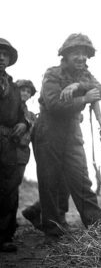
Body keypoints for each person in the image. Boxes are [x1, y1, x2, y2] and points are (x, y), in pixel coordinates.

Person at [32, 33, 101, 241]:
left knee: (82, 181)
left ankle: (99, 229)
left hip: (72, 134)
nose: (81, 57)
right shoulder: (52, 74)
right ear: (65, 55)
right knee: (50, 183)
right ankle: (53, 232)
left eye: (84, 53)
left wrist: (79, 87)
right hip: (48, 132)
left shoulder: (85, 76)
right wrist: (84, 98)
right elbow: (54, 105)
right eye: (76, 52)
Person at [0, 38, 28, 252]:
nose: (1, 57)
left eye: (5, 55)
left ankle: (4, 236)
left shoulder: (14, 86)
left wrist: (23, 122)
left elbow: (22, 113)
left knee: (8, 189)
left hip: (8, 143)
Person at [15, 79, 37, 182]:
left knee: (15, 183)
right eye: (22, 90)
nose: (25, 93)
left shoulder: (31, 116)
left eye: (28, 92)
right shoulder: (6, 108)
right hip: (6, 150)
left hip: (22, 154)